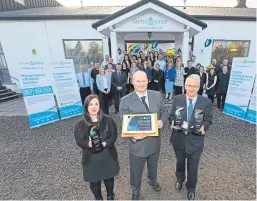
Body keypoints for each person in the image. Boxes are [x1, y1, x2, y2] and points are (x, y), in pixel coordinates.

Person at [119, 71, 164, 200]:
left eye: (143, 80)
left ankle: (152, 180)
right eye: (138, 81)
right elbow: (124, 123)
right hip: (137, 143)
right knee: (136, 170)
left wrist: (162, 120)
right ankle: (135, 189)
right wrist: (133, 137)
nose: (141, 84)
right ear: (132, 82)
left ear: (148, 81)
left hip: (154, 141)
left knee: (153, 165)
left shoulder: (157, 95)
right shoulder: (125, 101)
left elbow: (164, 111)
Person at [169, 74, 213, 200]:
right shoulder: (177, 99)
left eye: (194, 86)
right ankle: (179, 178)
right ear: (185, 85)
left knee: (193, 167)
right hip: (179, 139)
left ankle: (191, 188)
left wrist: (204, 127)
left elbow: (208, 119)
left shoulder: (206, 102)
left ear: (199, 87)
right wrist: (172, 122)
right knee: (180, 162)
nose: (191, 89)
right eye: (189, 85)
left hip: (195, 140)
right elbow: (172, 115)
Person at [74, 95, 120, 200]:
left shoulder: (109, 120)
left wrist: (106, 143)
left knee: (109, 178)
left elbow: (114, 136)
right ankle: (98, 198)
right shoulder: (80, 125)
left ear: (100, 105)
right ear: (86, 106)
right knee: (94, 181)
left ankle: (110, 196)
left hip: (107, 155)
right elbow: (79, 141)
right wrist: (88, 144)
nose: (93, 107)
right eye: (90, 104)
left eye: (96, 104)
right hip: (91, 158)